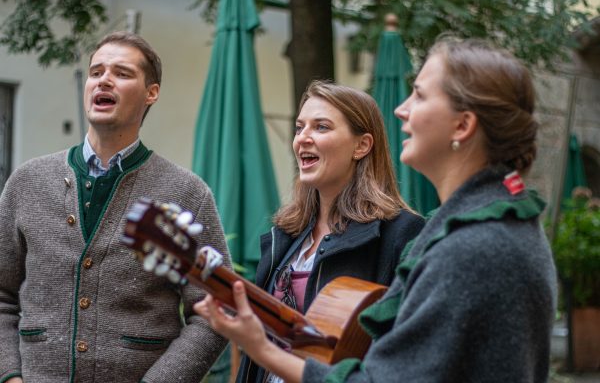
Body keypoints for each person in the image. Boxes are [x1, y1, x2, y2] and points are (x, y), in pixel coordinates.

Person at [195, 38, 558, 383]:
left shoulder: (473, 246)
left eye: (419, 94)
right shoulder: (494, 227)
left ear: (462, 125)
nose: (401, 109)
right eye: (300, 127)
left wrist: (261, 347)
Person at [0, 31, 231, 383]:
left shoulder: (186, 193)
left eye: (122, 73)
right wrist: (10, 376)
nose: (104, 80)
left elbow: (214, 309)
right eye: (96, 72)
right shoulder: (27, 182)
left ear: (151, 93)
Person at [230, 81, 424, 383]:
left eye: (321, 127)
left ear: (362, 146)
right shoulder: (286, 235)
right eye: (299, 127)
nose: (303, 138)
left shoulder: (401, 234)